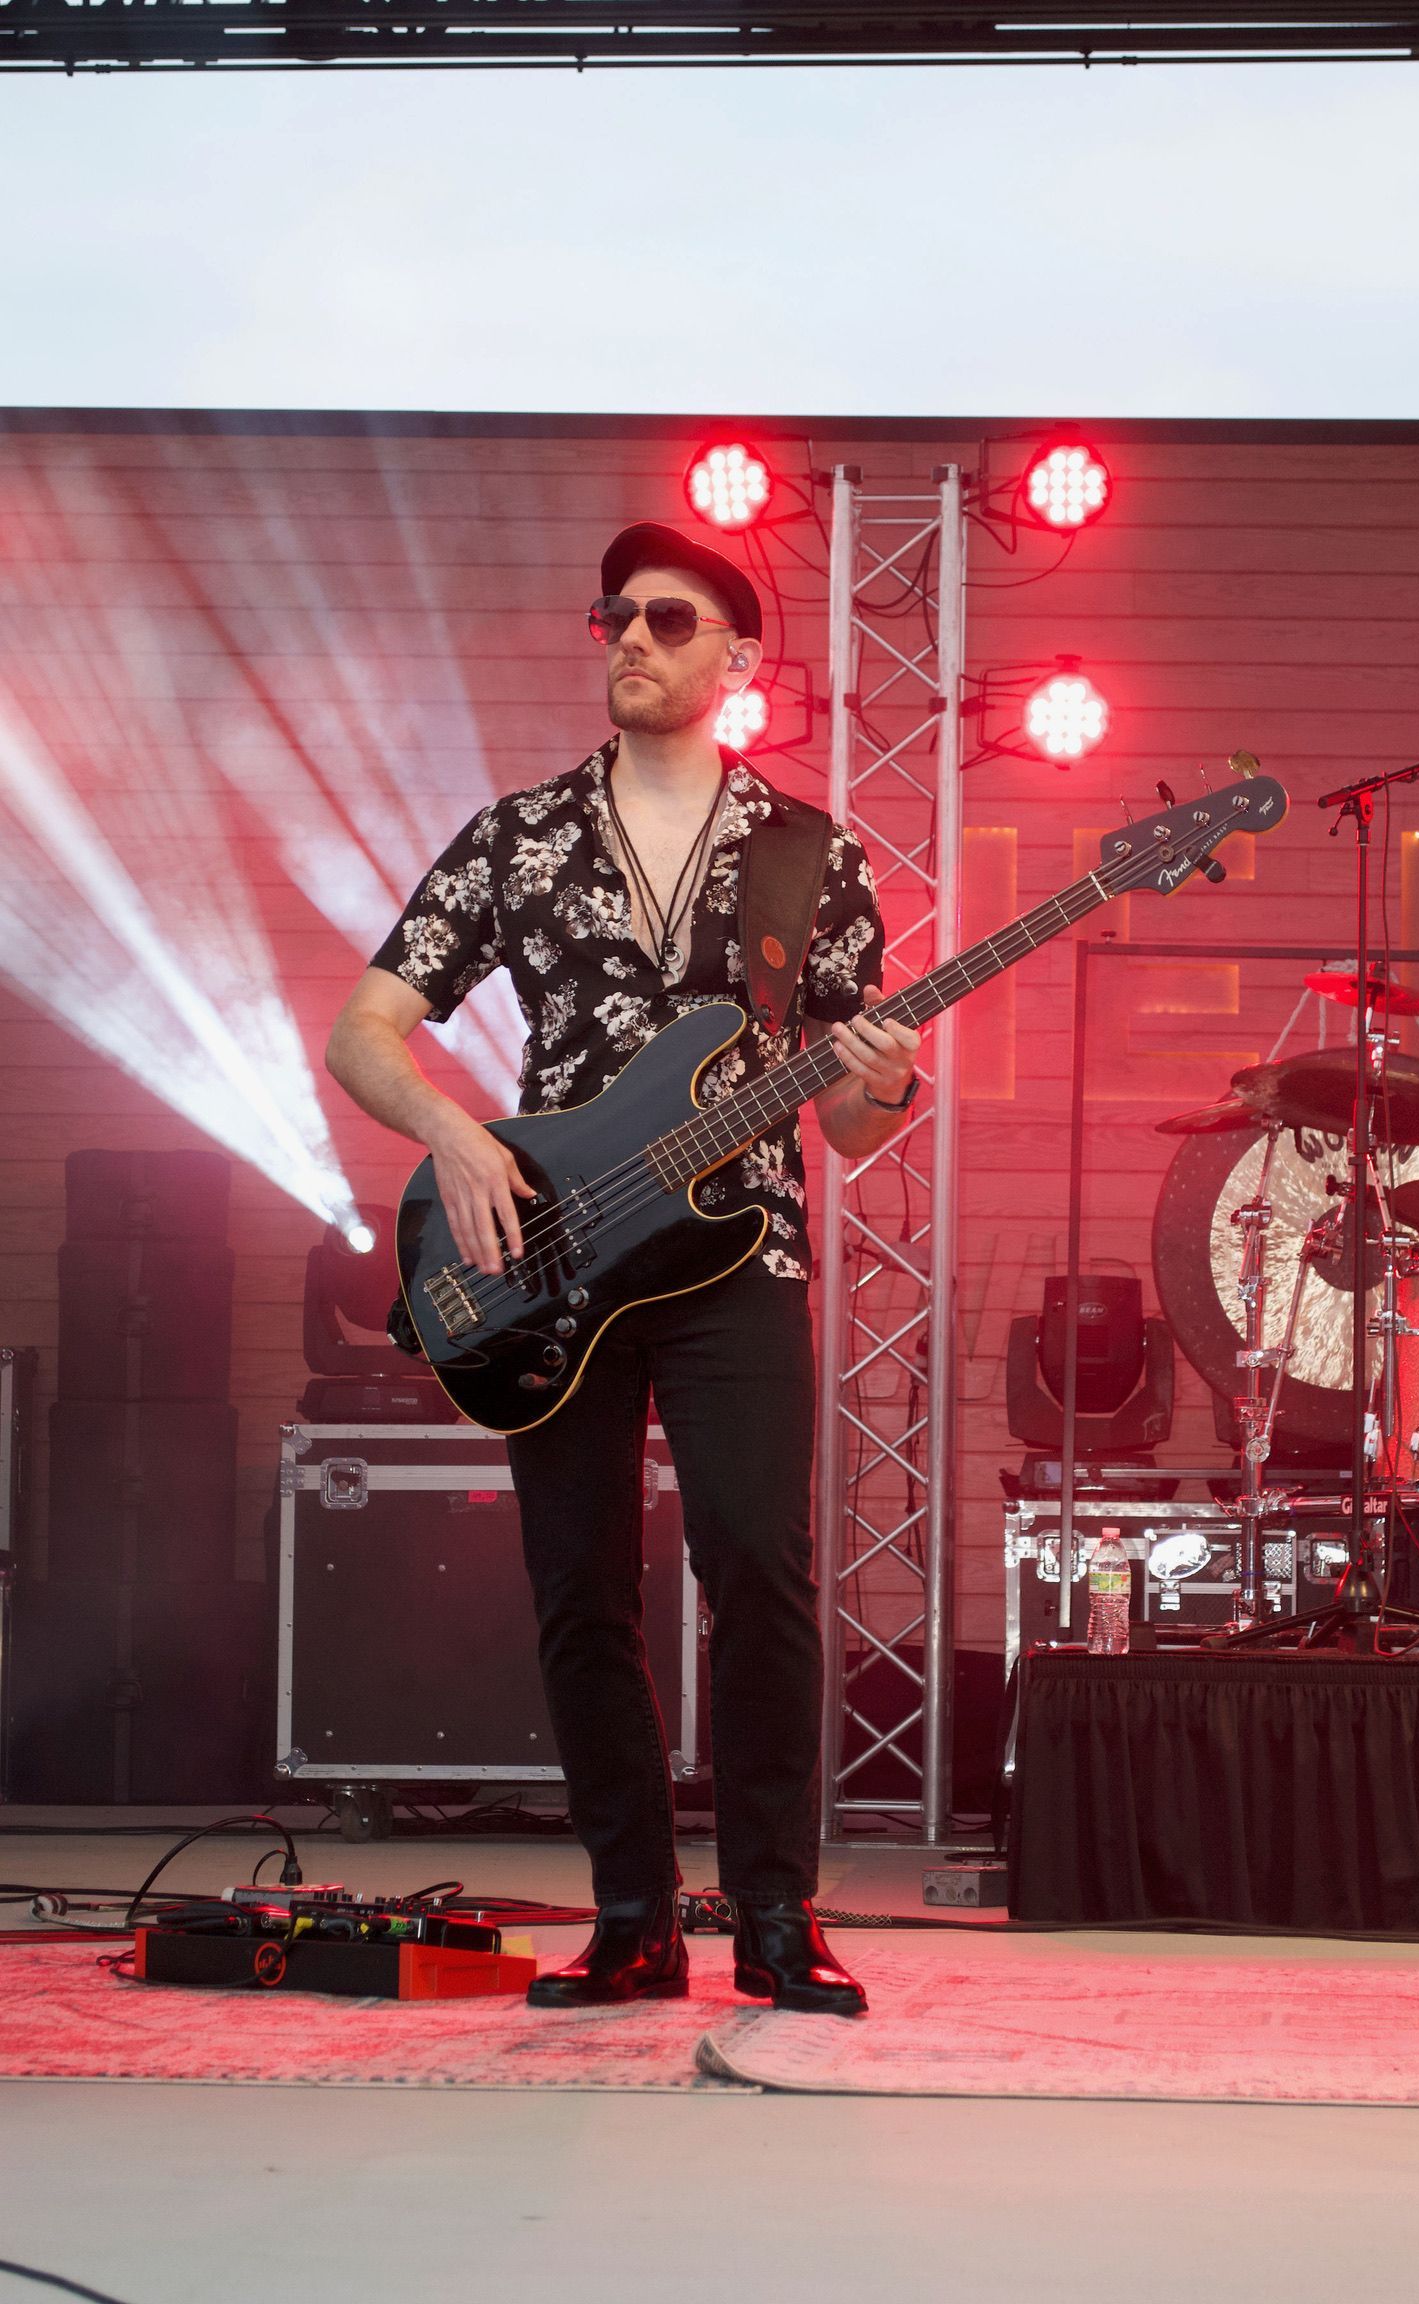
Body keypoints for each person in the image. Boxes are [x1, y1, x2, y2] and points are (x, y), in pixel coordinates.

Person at [326, 521, 920, 2016]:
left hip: (741, 1252)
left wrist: (886, 1081)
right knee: (578, 1588)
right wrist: (460, 1140)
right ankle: (636, 1918)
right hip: (553, 1259)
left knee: (762, 1570)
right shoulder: (518, 837)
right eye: (617, 621)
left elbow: (843, 1125)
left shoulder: (812, 852)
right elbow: (362, 1032)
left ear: (739, 658)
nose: (635, 642)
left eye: (670, 619)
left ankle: (777, 1917)